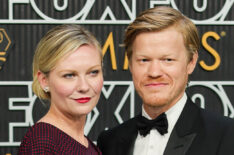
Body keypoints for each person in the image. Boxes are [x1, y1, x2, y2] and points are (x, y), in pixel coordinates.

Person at [97, 6, 234, 155]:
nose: (154, 72)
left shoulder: (227, 135)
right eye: (144, 60)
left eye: (167, 59)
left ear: (191, 62)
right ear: (130, 64)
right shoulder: (109, 142)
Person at [18, 24, 103, 154]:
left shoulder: (85, 143)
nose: (84, 87)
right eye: (69, 75)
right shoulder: (42, 144)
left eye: (93, 72)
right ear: (44, 80)